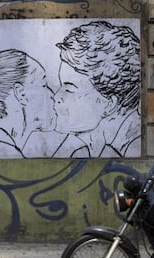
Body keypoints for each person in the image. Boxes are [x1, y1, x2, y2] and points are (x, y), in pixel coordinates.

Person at [53, 20, 141, 158]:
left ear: (109, 104)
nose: (56, 97)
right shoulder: (84, 152)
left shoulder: (133, 149)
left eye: (69, 89)